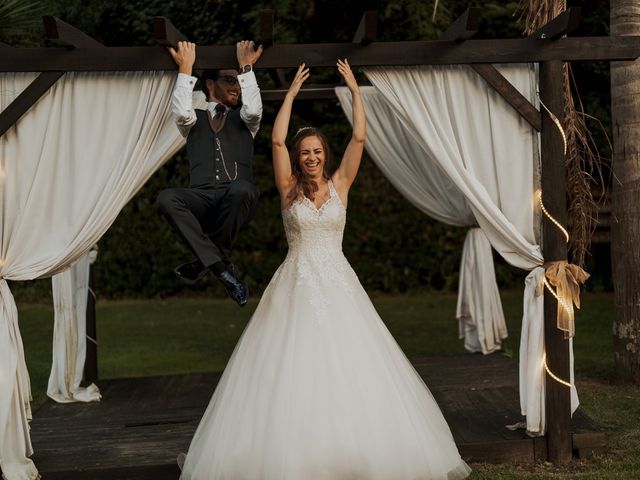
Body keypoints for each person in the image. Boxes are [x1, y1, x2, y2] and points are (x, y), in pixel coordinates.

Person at [178, 60, 471, 480]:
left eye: (317, 152)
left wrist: (354, 89)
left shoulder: (341, 185)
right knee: (289, 367)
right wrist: (291, 95)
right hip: (296, 283)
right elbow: (276, 142)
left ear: (324, 156)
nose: (312, 158)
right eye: (306, 153)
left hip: (339, 282)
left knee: (355, 364)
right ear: (299, 159)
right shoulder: (287, 188)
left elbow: (360, 136)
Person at [156, 40, 263, 306]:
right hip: (202, 198)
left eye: (238, 82)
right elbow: (181, 111)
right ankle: (222, 269)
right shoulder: (193, 119)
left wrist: (246, 68)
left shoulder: (247, 120)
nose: (236, 87)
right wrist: (186, 68)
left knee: (242, 188)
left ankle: (206, 264)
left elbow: (253, 109)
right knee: (166, 198)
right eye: (229, 80)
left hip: (237, 199)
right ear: (210, 85)